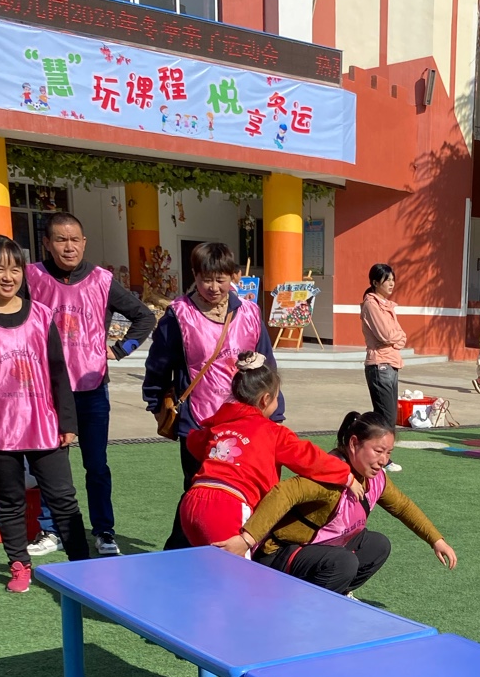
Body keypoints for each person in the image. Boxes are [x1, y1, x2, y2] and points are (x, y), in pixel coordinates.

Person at [0, 235, 89, 593]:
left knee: (63, 497)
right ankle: (19, 565)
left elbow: (58, 372)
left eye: (15, 269)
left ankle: (83, 565)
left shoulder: (41, 314)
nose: (8, 276)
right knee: (10, 500)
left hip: (44, 423)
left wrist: (67, 421)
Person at [26, 212, 155, 558]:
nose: (68, 247)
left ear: (84, 243)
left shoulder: (102, 280)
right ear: (47, 243)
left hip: (92, 387)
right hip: (47, 389)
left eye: (74, 240)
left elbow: (145, 316)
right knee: (49, 465)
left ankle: (104, 531)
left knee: (96, 465)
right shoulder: (31, 277)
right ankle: (51, 529)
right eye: (60, 240)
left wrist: (121, 349)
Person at [216, 410, 456, 595]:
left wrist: (436, 540)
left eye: (389, 453)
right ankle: (304, 608)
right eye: (378, 451)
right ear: (354, 444)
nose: (384, 460)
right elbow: (284, 492)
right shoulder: (330, 476)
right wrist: (246, 539)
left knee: (377, 545)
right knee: (343, 562)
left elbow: (402, 506)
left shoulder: (375, 478)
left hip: (319, 548)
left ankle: (336, 595)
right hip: (279, 554)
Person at [143, 241, 282, 494]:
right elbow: (158, 365)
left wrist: (276, 410)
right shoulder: (179, 315)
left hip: (245, 420)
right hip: (198, 423)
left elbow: (267, 366)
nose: (214, 288)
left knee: (243, 489)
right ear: (194, 275)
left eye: (221, 279)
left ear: (233, 276)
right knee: (199, 491)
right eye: (206, 279)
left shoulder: (250, 313)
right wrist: (155, 403)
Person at [178, 354, 360, 546]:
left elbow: (194, 442)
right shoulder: (273, 432)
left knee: (204, 562)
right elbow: (310, 458)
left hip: (192, 500)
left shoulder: (219, 425)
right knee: (235, 564)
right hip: (229, 504)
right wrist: (346, 476)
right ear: (265, 399)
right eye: (276, 397)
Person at [359, 263, 405, 472]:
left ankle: (381, 456)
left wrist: (397, 338)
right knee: (385, 417)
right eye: (387, 280)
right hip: (379, 364)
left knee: (389, 416)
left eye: (393, 279)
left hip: (391, 362)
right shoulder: (371, 304)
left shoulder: (387, 305)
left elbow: (401, 336)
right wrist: (396, 338)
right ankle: (380, 459)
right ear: (375, 282)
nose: (391, 284)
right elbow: (386, 335)